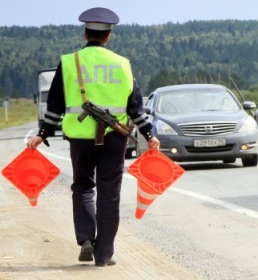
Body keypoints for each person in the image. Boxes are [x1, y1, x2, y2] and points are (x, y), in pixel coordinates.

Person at [27, 7, 160, 267]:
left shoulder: (68, 62)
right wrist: (149, 134)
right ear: (109, 36)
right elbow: (135, 108)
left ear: (85, 33)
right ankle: (104, 255)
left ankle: (86, 239)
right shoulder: (123, 64)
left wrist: (42, 134)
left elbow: (54, 106)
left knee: (83, 186)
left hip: (80, 139)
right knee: (110, 194)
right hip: (115, 139)